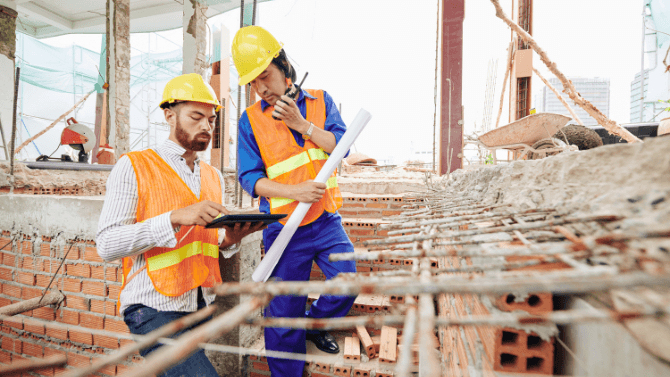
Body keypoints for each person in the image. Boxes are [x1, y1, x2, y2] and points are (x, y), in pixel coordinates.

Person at [96, 73, 264, 377]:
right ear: (169, 116)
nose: (205, 126)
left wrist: (230, 238)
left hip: (198, 305)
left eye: (211, 119)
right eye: (196, 116)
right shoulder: (134, 165)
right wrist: (174, 217)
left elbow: (202, 243)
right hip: (152, 308)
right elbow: (107, 245)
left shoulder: (213, 177)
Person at [232, 25, 357, 376]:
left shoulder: (319, 100)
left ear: (284, 66)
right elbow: (250, 179)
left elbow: (342, 148)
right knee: (282, 315)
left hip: (326, 219)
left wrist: (302, 124)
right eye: (253, 83)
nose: (261, 89)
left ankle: (314, 324)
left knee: (346, 283)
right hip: (283, 228)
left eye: (265, 77)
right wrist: (294, 193)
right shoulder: (250, 121)